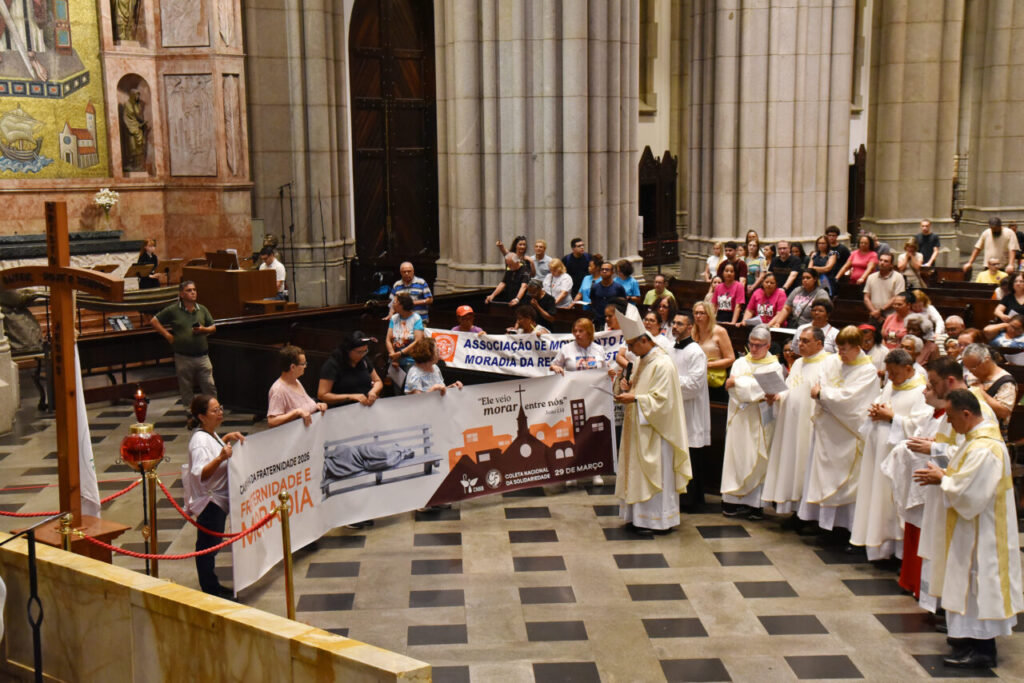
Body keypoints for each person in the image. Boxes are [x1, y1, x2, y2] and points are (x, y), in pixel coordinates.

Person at [912, 389, 1023, 669]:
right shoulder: (975, 440)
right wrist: (947, 477)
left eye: (950, 417)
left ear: (966, 413)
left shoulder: (985, 447)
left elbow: (971, 491)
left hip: (982, 532)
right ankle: (969, 640)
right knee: (969, 586)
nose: (949, 423)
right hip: (971, 527)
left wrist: (943, 479)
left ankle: (984, 651)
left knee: (978, 586)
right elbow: (967, 477)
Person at [613, 311, 691, 536]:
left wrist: (636, 398)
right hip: (638, 427)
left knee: (654, 473)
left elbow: (664, 402)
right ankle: (636, 516)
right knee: (635, 471)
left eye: (632, 345)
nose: (629, 350)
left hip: (657, 431)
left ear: (645, 340)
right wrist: (627, 387)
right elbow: (639, 387)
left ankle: (656, 520)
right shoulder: (641, 359)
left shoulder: (663, 364)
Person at [798, 326, 881, 532]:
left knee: (848, 481)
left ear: (857, 347)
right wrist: (823, 394)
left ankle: (845, 528)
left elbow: (851, 401)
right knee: (822, 478)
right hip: (827, 429)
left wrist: (823, 395)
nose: (841, 354)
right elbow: (820, 384)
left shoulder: (867, 371)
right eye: (838, 348)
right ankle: (822, 523)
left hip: (847, 434)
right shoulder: (831, 361)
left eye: (845, 349)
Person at [849, 349, 929, 561]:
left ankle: (894, 551)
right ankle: (874, 545)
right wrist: (875, 411)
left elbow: (920, 426)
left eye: (894, 373)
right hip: (877, 455)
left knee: (891, 501)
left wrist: (892, 417)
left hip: (898, 460)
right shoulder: (892, 386)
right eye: (888, 373)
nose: (890, 378)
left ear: (909, 369)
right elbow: (881, 404)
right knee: (876, 497)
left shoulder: (921, 392)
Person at [762, 327, 830, 521]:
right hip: (792, 423)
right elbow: (790, 388)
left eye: (805, 341)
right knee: (794, 463)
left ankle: (808, 513)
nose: (799, 344)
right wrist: (777, 396)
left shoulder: (828, 363)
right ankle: (795, 509)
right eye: (799, 340)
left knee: (806, 465)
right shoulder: (799, 362)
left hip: (810, 423)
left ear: (819, 343)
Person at [185, 394, 245, 598]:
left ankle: (211, 583)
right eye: (214, 410)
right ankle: (209, 587)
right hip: (211, 501)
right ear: (202, 416)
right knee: (207, 545)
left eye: (220, 408)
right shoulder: (200, 441)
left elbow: (214, 449)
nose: (220, 413)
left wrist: (225, 439)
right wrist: (221, 457)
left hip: (218, 499)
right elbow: (201, 473)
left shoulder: (209, 433)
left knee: (213, 541)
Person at [720, 325, 780, 520]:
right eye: (751, 344)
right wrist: (743, 386)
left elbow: (765, 390)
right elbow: (734, 391)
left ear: (768, 345)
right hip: (739, 417)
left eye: (758, 346)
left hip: (760, 419)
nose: (753, 349)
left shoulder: (774, 366)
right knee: (736, 458)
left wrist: (738, 383)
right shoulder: (739, 363)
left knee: (757, 457)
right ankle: (731, 501)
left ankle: (755, 505)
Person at [151, 281, 217, 409]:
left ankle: (213, 410)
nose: (193, 292)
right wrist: (168, 335)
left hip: (202, 356)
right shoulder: (173, 310)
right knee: (186, 387)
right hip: (184, 356)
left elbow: (213, 327)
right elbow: (154, 321)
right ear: (181, 294)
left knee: (209, 385)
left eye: (194, 290)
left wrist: (204, 330)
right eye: (189, 290)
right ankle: (190, 413)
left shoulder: (202, 309)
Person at [669, 311, 711, 511]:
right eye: (674, 323)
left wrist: (669, 382)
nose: (675, 326)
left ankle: (691, 500)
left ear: (689, 327)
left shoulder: (696, 352)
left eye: (680, 323)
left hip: (691, 410)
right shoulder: (671, 348)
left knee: (691, 455)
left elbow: (695, 385)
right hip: (676, 408)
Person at [318, 330, 383, 407]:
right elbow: (322, 395)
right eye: (359, 352)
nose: (362, 355)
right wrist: (351, 397)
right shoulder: (333, 364)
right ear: (347, 350)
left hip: (365, 406)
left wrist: (373, 392)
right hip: (342, 409)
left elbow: (378, 381)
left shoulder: (364, 360)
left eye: (365, 351)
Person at [266, 345, 327, 427]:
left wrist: (317, 406)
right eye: (303, 364)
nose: (305, 366)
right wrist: (296, 412)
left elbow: (303, 406)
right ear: (293, 367)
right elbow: (272, 421)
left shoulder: (296, 381)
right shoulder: (278, 390)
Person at [960, 344, 1016, 428]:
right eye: (968, 368)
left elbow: (1004, 412)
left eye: (974, 367)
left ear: (987, 360)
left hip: (993, 432)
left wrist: (981, 393)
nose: (971, 372)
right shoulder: (969, 377)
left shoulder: (1006, 382)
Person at [692, 300, 735, 405]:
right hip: (696, 380)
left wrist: (708, 365)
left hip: (714, 381)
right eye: (696, 313)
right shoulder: (691, 331)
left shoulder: (720, 331)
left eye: (702, 313)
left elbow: (730, 358)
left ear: (709, 315)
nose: (698, 316)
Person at [862, 253, 906, 322]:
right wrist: (875, 312)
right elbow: (866, 297)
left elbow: (897, 297)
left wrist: (881, 310)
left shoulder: (898, 277)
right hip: (874, 315)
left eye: (886, 261)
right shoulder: (871, 277)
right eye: (881, 260)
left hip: (891, 316)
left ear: (891, 264)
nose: (882, 263)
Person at [386, 293, 424, 370]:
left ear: (401, 305)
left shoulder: (416, 318)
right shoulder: (394, 318)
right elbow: (388, 339)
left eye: (394, 302)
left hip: (411, 361)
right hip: (394, 360)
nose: (392, 304)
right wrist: (393, 356)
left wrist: (401, 353)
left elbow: (418, 340)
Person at [589, 261, 627, 329]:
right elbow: (593, 302)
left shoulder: (618, 287)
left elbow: (623, 305)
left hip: (613, 322)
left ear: (612, 272)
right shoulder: (595, 287)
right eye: (602, 269)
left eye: (607, 269)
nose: (604, 271)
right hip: (598, 320)